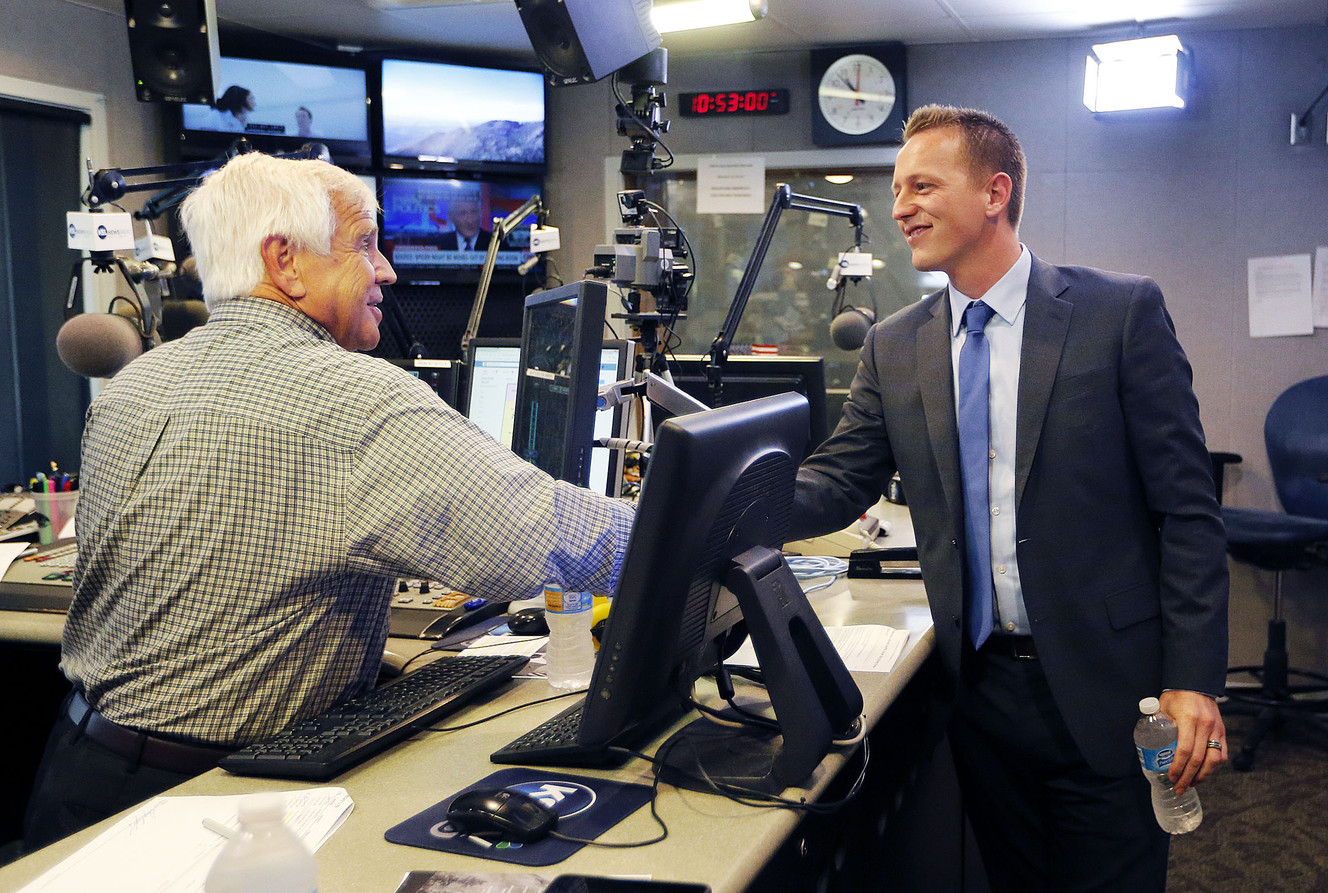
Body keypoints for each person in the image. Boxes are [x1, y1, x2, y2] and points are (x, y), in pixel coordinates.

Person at [23, 152, 633, 849]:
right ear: (284, 260)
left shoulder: (133, 382)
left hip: (77, 777)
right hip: (219, 808)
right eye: (365, 245)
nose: (387, 272)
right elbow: (554, 537)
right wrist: (718, 524)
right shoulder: (354, 397)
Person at [789, 105, 1228, 891]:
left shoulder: (1117, 314)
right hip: (981, 696)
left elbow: (1187, 511)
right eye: (896, 189)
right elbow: (836, 481)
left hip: (1114, 687)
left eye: (923, 184)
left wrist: (1193, 679)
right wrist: (715, 497)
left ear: (995, 192)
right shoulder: (896, 345)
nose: (899, 208)